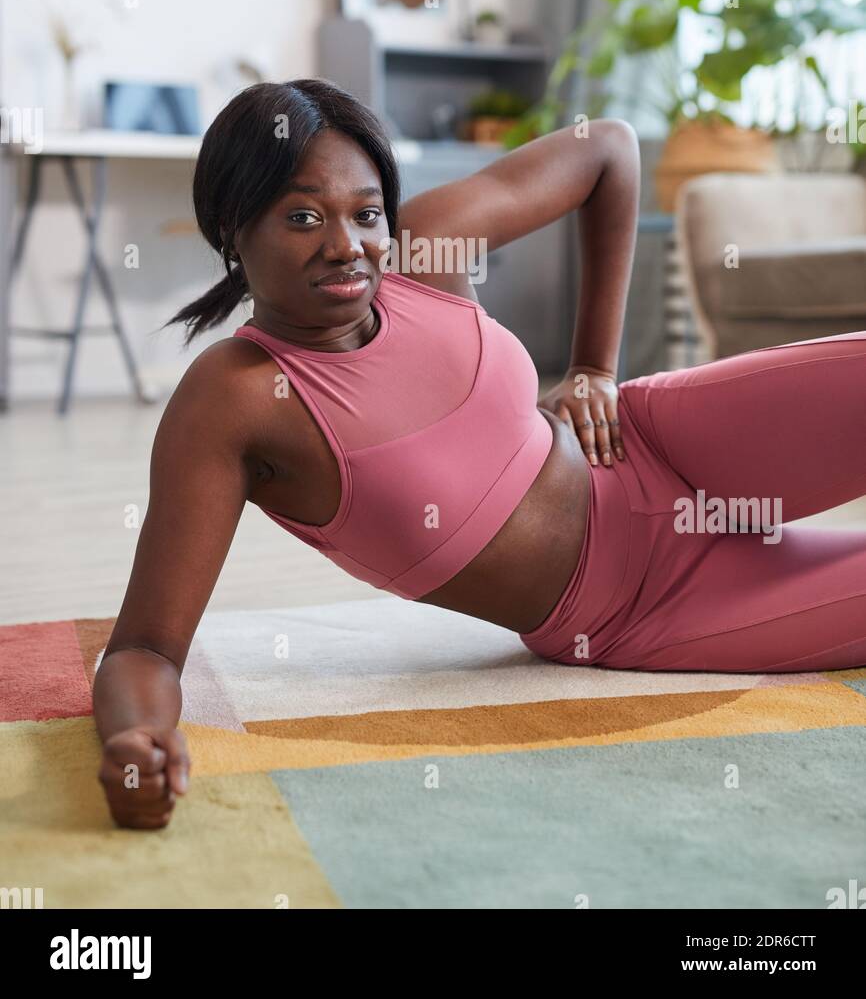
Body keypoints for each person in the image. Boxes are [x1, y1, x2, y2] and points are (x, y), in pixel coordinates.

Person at [93, 78, 866, 829]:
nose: (347, 246)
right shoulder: (235, 400)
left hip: (663, 441)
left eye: (367, 213)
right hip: (642, 608)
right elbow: (145, 647)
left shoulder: (426, 253)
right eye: (302, 217)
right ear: (233, 227)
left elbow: (608, 150)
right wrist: (136, 742)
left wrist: (595, 367)